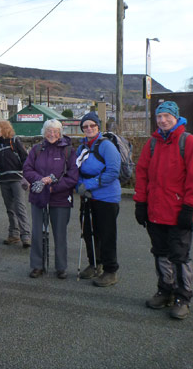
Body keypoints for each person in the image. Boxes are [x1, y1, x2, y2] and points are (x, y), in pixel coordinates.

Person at [134, 101, 193, 320]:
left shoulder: (188, 142)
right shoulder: (153, 144)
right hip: (156, 212)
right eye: (159, 117)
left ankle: (182, 297)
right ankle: (165, 290)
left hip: (178, 212)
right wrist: (140, 203)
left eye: (167, 116)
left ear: (176, 117)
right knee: (160, 253)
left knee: (180, 256)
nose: (163, 120)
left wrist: (189, 207)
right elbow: (142, 174)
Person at [23, 119, 78, 279]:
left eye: (55, 131)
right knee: (37, 233)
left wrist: (54, 186)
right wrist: (41, 179)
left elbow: (73, 176)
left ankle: (61, 267)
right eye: (49, 130)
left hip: (60, 198)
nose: (52, 134)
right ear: (44, 132)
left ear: (60, 133)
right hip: (39, 196)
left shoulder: (68, 151)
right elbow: (27, 169)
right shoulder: (36, 149)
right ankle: (37, 266)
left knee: (59, 234)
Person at [76, 112, 121, 287]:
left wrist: (88, 186)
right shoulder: (82, 148)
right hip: (88, 198)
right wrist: (80, 185)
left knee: (106, 234)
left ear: (98, 127)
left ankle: (111, 270)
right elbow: (77, 170)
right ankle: (95, 264)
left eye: (92, 126)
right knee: (88, 231)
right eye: (85, 126)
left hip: (107, 198)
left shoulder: (107, 146)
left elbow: (112, 172)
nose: (88, 129)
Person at [0, 120, 31, 248]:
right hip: (4, 180)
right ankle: (14, 235)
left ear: (4, 129)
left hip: (17, 179)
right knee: (10, 209)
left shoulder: (15, 141)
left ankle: (26, 236)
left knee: (20, 207)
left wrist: (27, 176)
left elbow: (25, 159)